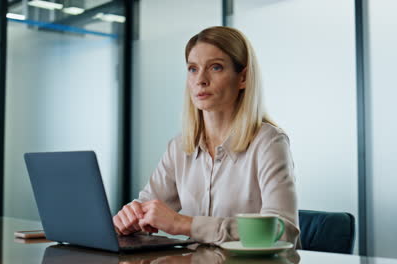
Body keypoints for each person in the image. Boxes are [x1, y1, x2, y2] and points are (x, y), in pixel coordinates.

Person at [113, 26, 300, 247]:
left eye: (216, 67)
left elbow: (283, 231)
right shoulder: (180, 147)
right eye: (193, 69)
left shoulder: (269, 142)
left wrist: (185, 224)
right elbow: (146, 207)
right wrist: (128, 218)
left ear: (243, 78)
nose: (200, 79)